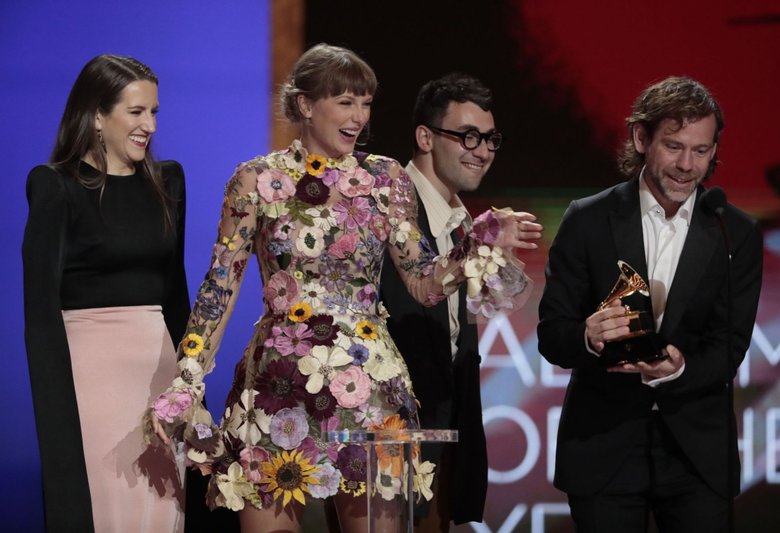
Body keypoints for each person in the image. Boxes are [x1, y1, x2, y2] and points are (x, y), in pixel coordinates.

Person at [149, 43, 539, 533]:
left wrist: (476, 246)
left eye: (367, 103)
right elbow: (219, 286)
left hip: (368, 387)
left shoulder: (386, 180)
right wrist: (189, 372)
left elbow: (422, 282)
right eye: (345, 102)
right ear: (306, 105)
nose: (359, 117)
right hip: (278, 388)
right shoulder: (256, 180)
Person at [537, 76, 763, 532]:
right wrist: (588, 335)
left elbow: (728, 348)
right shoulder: (588, 219)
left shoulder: (733, 231)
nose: (687, 165)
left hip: (696, 455)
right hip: (604, 448)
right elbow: (552, 333)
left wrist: (678, 368)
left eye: (701, 151)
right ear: (641, 138)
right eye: (674, 146)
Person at [22, 54, 189, 532]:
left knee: (163, 511)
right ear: (97, 114)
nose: (149, 125)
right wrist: (55, 419)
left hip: (159, 375)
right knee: (106, 507)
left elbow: (175, 293)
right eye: (136, 112)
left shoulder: (167, 183)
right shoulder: (56, 187)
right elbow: (40, 312)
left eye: (154, 112)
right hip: (91, 380)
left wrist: (188, 384)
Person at [379, 73, 542, 531]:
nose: (483, 149)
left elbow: (484, 308)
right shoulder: (387, 205)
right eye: (468, 135)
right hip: (389, 424)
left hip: (447, 417)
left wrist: (495, 252)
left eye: (490, 138)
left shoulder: (461, 220)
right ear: (425, 137)